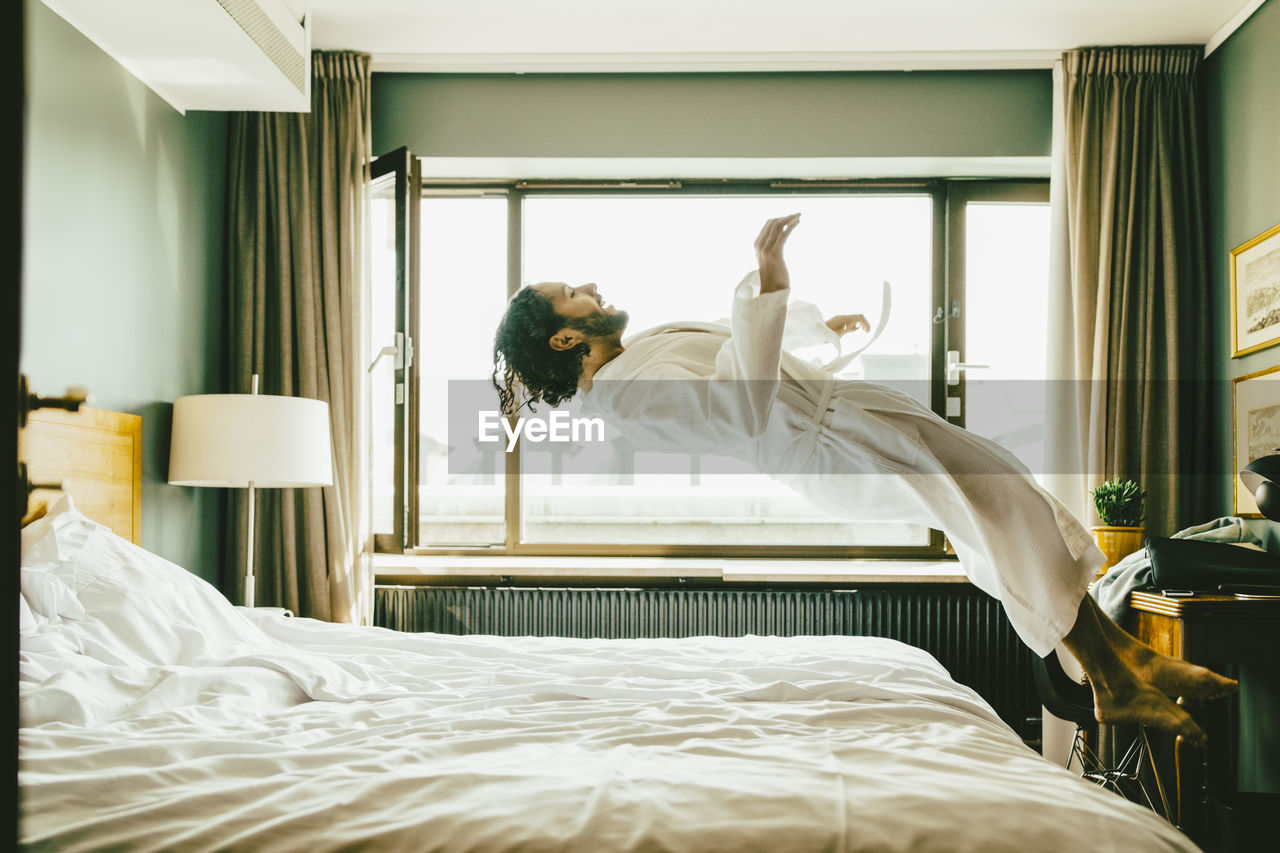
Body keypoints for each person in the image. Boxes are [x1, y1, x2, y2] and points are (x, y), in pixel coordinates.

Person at [492, 213, 1236, 743]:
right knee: (999, 510)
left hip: (840, 411)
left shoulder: (633, 357)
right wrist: (770, 283)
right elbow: (744, 407)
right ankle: (1110, 680)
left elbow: (739, 346)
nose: (591, 286)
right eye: (574, 292)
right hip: (828, 442)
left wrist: (812, 321)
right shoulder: (627, 394)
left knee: (1007, 490)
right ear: (564, 336)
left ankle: (1129, 660)